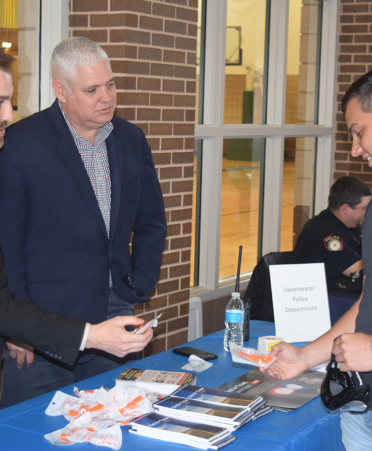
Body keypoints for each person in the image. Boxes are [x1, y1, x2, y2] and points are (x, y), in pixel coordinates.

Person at [0, 37, 167, 408]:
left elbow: (152, 221)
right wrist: (16, 331)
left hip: (116, 309)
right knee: (36, 429)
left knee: (113, 420)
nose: (105, 97)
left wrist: (139, 284)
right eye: (91, 89)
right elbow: (8, 244)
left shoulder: (131, 139)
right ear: (61, 90)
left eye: (109, 84)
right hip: (43, 322)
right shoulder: (19, 144)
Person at [263, 70, 372, 450]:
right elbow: (367, 304)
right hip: (362, 407)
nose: (356, 149)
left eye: (358, 131)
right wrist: (305, 358)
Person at [295, 175, 371, 292]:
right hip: (329, 302)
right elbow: (361, 272)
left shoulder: (350, 226)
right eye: (365, 208)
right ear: (345, 209)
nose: (369, 213)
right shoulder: (323, 234)